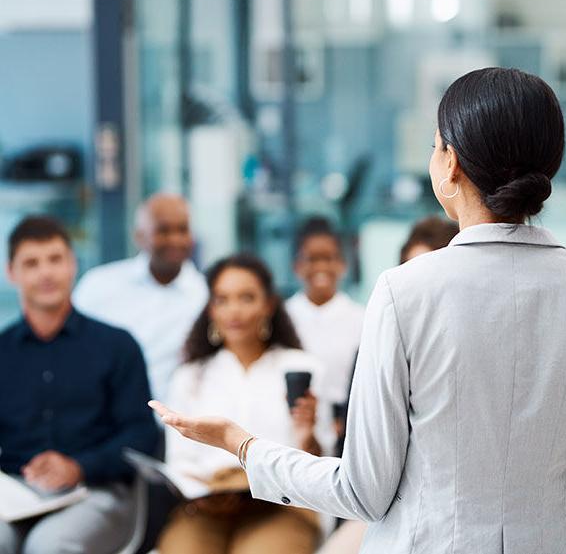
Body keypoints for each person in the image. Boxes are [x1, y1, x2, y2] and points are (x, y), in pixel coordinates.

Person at [150, 68, 566, 554]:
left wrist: (240, 445)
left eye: (437, 145)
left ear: (452, 164)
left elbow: (362, 491)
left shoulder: (403, 292)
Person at [0, 216, 158, 554]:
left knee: (48, 546)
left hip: (97, 491)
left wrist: (79, 467)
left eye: (55, 259)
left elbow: (142, 436)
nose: (45, 273)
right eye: (31, 263)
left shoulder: (117, 346)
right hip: (16, 492)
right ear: (11, 273)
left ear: (72, 264)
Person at [156, 254, 329, 554]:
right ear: (211, 308)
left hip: (282, 505)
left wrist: (306, 435)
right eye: (222, 299)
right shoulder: (191, 376)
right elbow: (179, 461)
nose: (234, 310)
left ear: (268, 305)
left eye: (246, 298)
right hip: (207, 507)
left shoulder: (302, 368)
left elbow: (321, 461)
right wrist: (206, 491)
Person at [319, 214, 460, 554]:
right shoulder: (374, 347)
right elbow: (356, 456)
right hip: (382, 506)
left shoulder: (473, 351)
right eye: (410, 274)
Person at [73, 193, 208, 401]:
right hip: (104, 420)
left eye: (183, 230)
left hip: (174, 424)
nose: (175, 239)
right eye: (163, 230)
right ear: (139, 236)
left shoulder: (205, 296)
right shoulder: (98, 286)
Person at [286, 217, 364, 407]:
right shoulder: (283, 317)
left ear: (342, 265)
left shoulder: (362, 318)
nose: (320, 267)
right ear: (296, 266)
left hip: (344, 426)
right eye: (312, 259)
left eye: (328, 258)